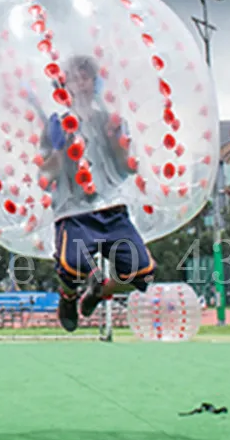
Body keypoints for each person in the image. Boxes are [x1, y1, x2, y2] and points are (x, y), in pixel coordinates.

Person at [38, 55, 157, 332]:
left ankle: (100, 291)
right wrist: (58, 150)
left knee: (144, 273)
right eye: (74, 78)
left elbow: (124, 167)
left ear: (95, 82)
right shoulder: (56, 123)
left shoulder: (110, 119)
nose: (80, 83)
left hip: (112, 208)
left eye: (86, 76)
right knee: (73, 264)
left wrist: (121, 147)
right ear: (63, 84)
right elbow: (45, 176)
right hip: (74, 211)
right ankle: (68, 297)